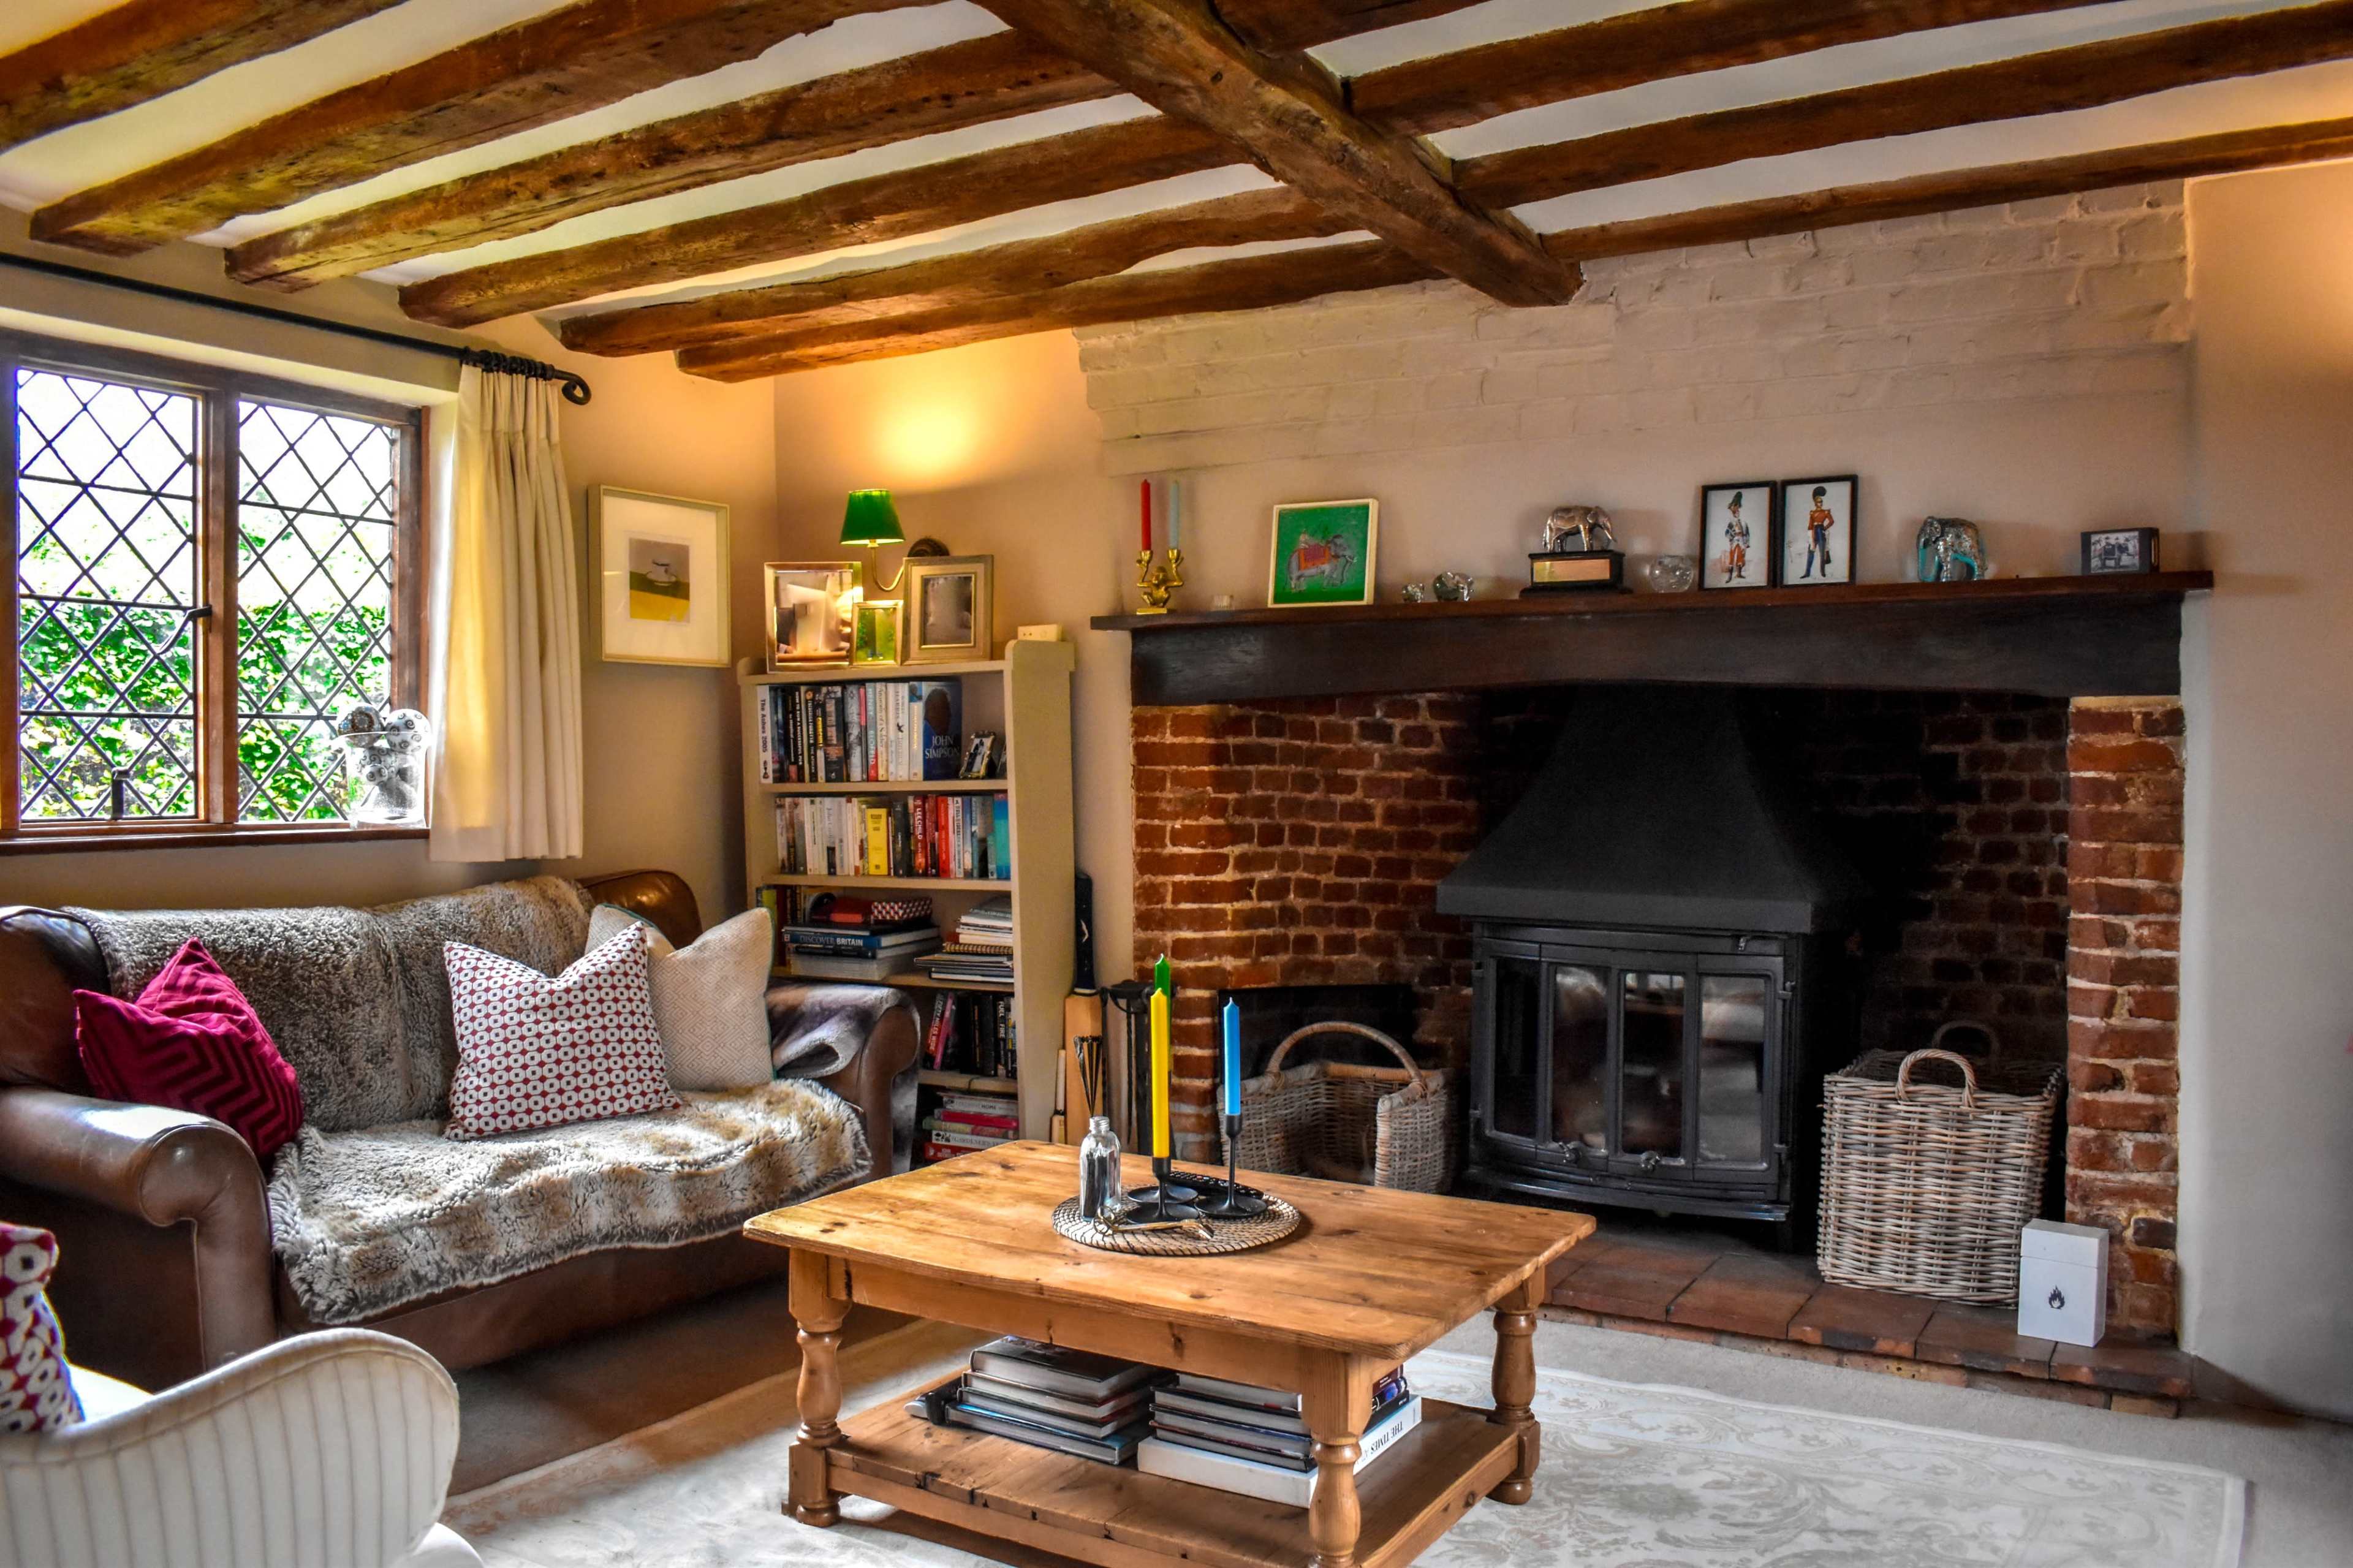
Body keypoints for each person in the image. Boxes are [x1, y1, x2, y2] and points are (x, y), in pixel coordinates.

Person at [1801, 485, 1835, 579]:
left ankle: (1823, 572)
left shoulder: (1825, 512)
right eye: (1819, 502)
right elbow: (1810, 525)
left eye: (1821, 502)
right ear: (1815, 503)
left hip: (1821, 530)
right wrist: (1810, 535)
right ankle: (1807, 573)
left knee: (1822, 553)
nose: (1821, 503)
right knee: (1811, 552)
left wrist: (1825, 528)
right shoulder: (1812, 513)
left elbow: (1832, 521)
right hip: (1814, 531)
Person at [1724, 491, 1751, 581]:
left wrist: (1747, 543)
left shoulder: (1744, 523)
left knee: (1741, 557)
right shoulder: (1731, 523)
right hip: (1735, 541)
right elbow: (1726, 533)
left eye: (1738, 512)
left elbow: (1747, 533)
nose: (1737, 513)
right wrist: (1733, 536)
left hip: (1742, 541)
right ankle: (1730, 577)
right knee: (1732, 558)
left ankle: (1739, 574)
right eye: (1736, 512)